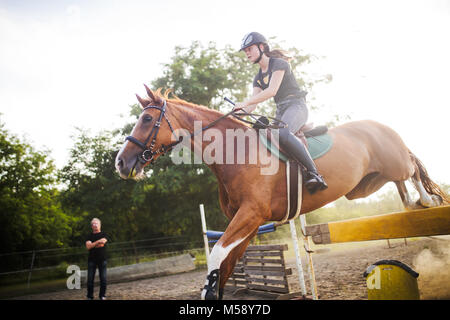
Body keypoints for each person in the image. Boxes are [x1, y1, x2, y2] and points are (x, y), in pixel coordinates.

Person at [235, 32, 328, 194]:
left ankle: (315, 173)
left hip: (296, 106)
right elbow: (252, 105)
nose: (247, 53)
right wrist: (236, 112)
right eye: (245, 51)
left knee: (283, 134)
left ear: (261, 47)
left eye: (249, 49)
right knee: (265, 136)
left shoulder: (278, 64)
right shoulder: (257, 77)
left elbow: (272, 91)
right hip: (281, 110)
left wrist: (246, 103)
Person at [85, 218, 108, 300]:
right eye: (93, 224)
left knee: (103, 279)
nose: (95, 225)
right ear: (91, 226)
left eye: (96, 223)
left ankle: (102, 295)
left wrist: (93, 244)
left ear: (100, 224)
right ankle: (90, 296)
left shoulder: (104, 234)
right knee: (90, 280)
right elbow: (88, 247)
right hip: (91, 260)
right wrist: (98, 242)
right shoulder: (89, 235)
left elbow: (102, 244)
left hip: (102, 260)